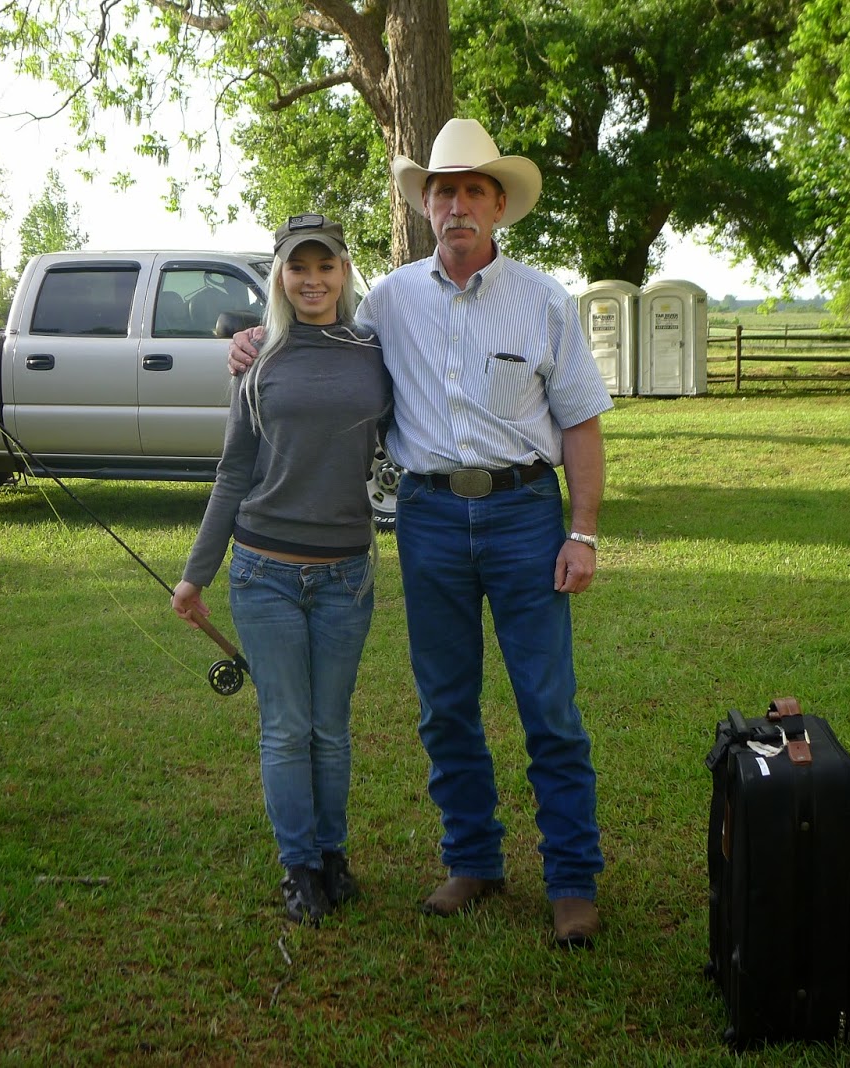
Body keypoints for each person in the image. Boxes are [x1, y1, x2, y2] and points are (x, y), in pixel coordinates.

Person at [230, 119, 612, 947]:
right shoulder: (389, 302)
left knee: (548, 705)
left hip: (523, 514)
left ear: (499, 206)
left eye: (474, 190)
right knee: (445, 706)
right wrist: (256, 339)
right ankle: (472, 861)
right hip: (430, 516)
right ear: (426, 206)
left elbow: (581, 423)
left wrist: (581, 534)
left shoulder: (544, 300)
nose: (458, 206)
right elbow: (321, 342)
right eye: (444, 192)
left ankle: (571, 881)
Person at [172, 215, 390, 927]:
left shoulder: (375, 350)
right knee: (286, 728)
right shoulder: (257, 358)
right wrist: (196, 574)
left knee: (331, 729)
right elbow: (233, 470)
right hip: (263, 572)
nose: (313, 280)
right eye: (299, 268)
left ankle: (333, 857)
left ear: (345, 273)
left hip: (346, 577)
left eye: (326, 266)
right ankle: (298, 867)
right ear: (280, 277)